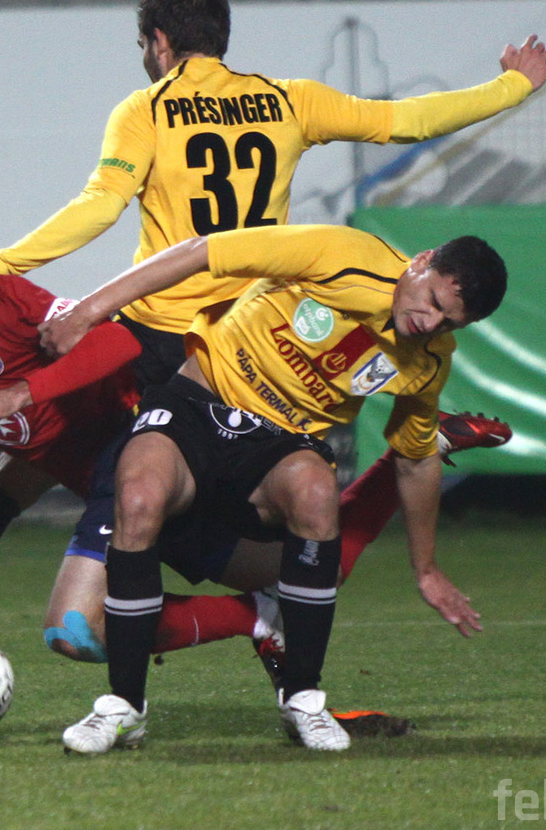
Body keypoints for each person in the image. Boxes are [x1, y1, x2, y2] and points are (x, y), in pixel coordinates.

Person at [0, 240, 507, 695]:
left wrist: (24, 388)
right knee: (4, 491)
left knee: (84, 628)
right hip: (82, 454)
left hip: (148, 439)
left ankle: (260, 615)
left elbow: (115, 340)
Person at [0, 0, 546, 392]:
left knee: (89, 469)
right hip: (244, 333)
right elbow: (407, 122)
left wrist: (1, 266)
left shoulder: (146, 109)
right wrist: (511, 88)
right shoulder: (289, 102)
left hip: (160, 326)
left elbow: (100, 205)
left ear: (160, 41)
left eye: (145, 46)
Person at [50, 224, 508, 754]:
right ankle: (125, 708)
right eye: (433, 302)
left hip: (277, 445)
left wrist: (426, 570)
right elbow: (201, 252)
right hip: (196, 405)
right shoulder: (342, 254)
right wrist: (88, 311)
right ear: (421, 261)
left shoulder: (427, 358)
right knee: (136, 502)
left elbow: (414, 459)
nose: (429, 323)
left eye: (449, 322)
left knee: (316, 495)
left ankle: (303, 700)